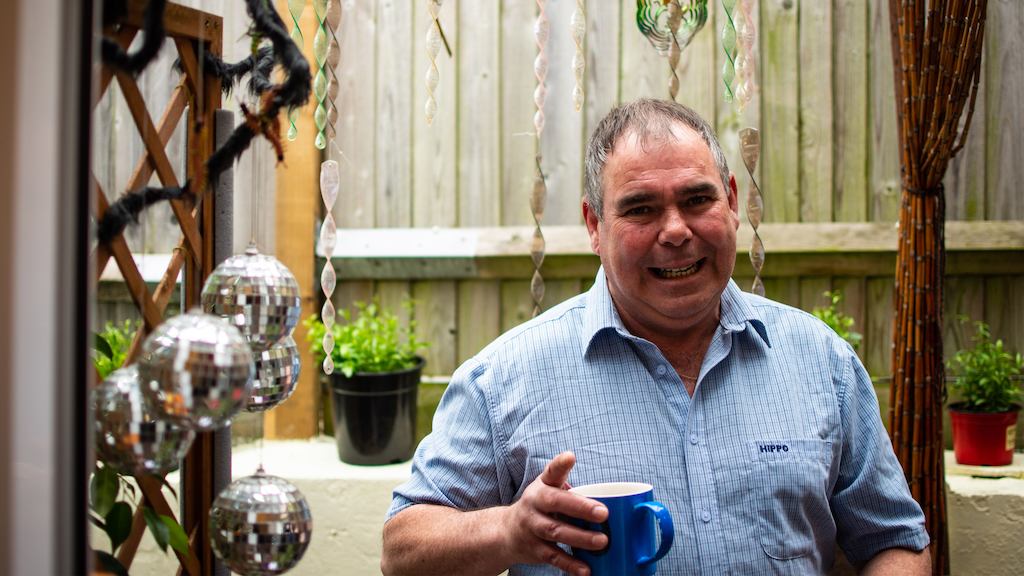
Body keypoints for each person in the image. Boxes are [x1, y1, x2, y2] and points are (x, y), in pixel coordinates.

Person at [381, 99, 930, 575]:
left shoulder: (820, 361)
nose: (675, 231)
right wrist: (509, 531)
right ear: (595, 226)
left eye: (697, 200)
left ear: (732, 202)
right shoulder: (504, 379)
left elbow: (896, 542)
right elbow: (402, 549)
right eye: (641, 209)